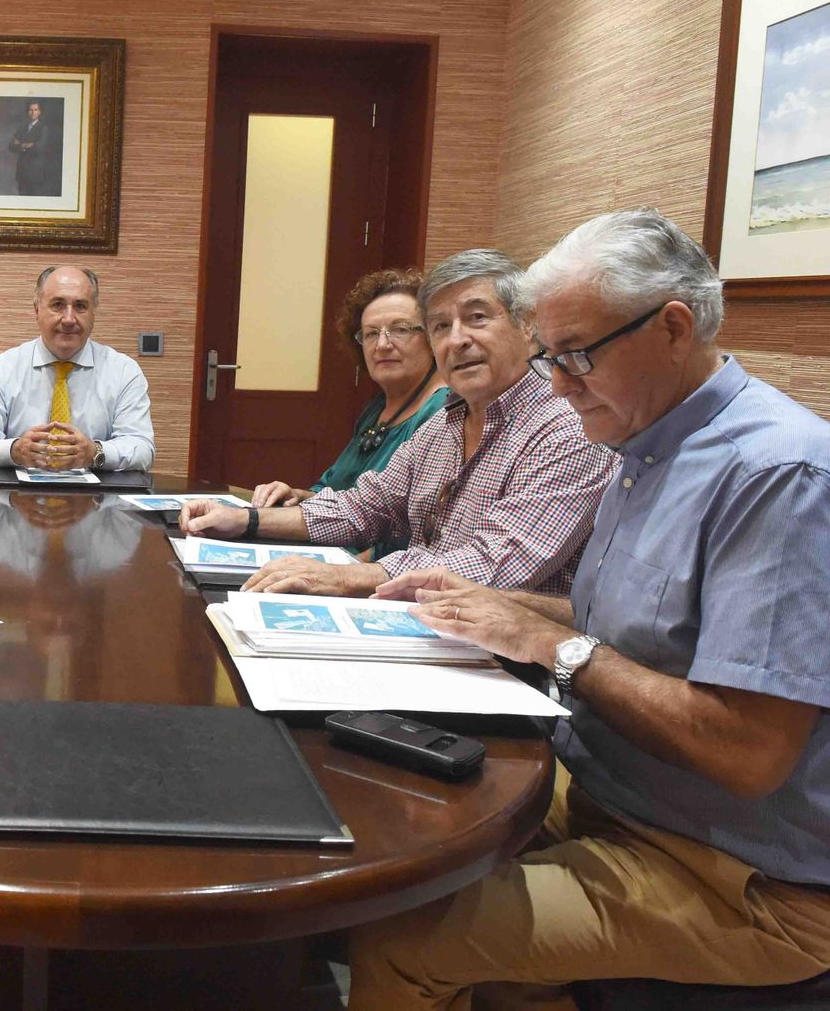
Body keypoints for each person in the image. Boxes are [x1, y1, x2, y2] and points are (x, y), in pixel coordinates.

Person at [348, 209, 830, 1009]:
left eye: (575, 356)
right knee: (384, 823)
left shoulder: (777, 474)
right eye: (550, 356)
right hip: (610, 795)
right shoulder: (641, 443)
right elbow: (630, 620)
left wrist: (553, 644)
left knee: (403, 936)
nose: (559, 384)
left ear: (673, 327)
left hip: (738, 876)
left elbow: (748, 750)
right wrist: (492, 605)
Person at [180, 249, 614, 597]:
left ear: (527, 328)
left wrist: (350, 578)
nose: (456, 339)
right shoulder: (446, 422)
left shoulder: (567, 428)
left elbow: (495, 563)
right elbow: (362, 508)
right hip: (418, 623)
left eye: (477, 317)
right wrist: (245, 521)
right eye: (441, 325)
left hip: (503, 664)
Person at [249, 268, 447, 557]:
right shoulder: (378, 408)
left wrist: (341, 574)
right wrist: (298, 496)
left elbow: (412, 530)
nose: (382, 344)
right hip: (331, 549)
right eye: (370, 334)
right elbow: (336, 489)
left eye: (401, 329)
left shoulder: (442, 410)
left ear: (433, 336)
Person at [0, 265, 155, 472]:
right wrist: (14, 450)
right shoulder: (2, 369)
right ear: (37, 310)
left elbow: (142, 449)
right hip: (13, 498)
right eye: (58, 305)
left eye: (80, 306)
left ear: (93, 313)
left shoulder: (124, 372)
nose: (69, 319)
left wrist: (95, 452)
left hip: (98, 499)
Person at [9, 99, 58, 196]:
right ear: (27, 112)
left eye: (35, 110)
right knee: (22, 201)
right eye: (30, 110)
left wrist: (20, 144)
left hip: (35, 172)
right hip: (22, 171)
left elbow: (39, 148)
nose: (33, 112)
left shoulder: (43, 128)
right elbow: (11, 146)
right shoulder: (21, 128)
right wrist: (26, 145)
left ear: (39, 112)